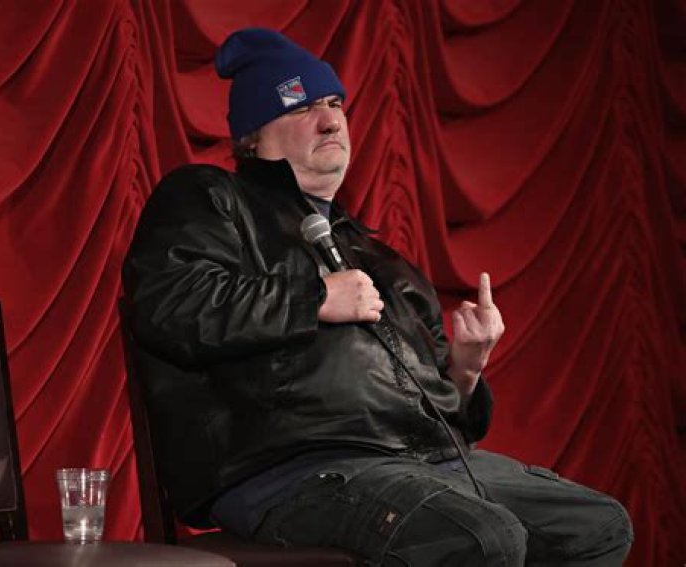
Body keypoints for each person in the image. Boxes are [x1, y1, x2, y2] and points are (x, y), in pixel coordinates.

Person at [122, 28, 633, 566]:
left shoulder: (381, 260)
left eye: (335, 104)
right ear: (252, 138)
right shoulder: (210, 198)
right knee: (482, 537)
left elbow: (448, 421)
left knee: (595, 526)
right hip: (289, 468)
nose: (330, 120)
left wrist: (464, 369)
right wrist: (314, 298)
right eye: (303, 106)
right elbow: (170, 306)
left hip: (419, 463)